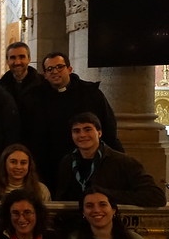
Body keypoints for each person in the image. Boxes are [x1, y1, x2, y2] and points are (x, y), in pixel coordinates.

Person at [20, 51, 122, 188]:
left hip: (86, 160)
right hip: (48, 164)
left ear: (69, 69)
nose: (55, 71)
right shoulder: (34, 97)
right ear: (45, 75)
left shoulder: (90, 93)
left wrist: (119, 159)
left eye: (59, 67)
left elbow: (108, 127)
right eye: (49, 69)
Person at [55, 112, 166, 207]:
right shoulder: (67, 162)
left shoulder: (123, 162)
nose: (82, 135)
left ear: (99, 132)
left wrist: (105, 195)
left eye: (87, 129)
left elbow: (156, 197)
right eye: (76, 131)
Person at [0, 42, 43, 107]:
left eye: (22, 57)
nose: (17, 62)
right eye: (13, 58)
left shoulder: (43, 84)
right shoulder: (0, 88)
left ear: (29, 59)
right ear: (7, 61)